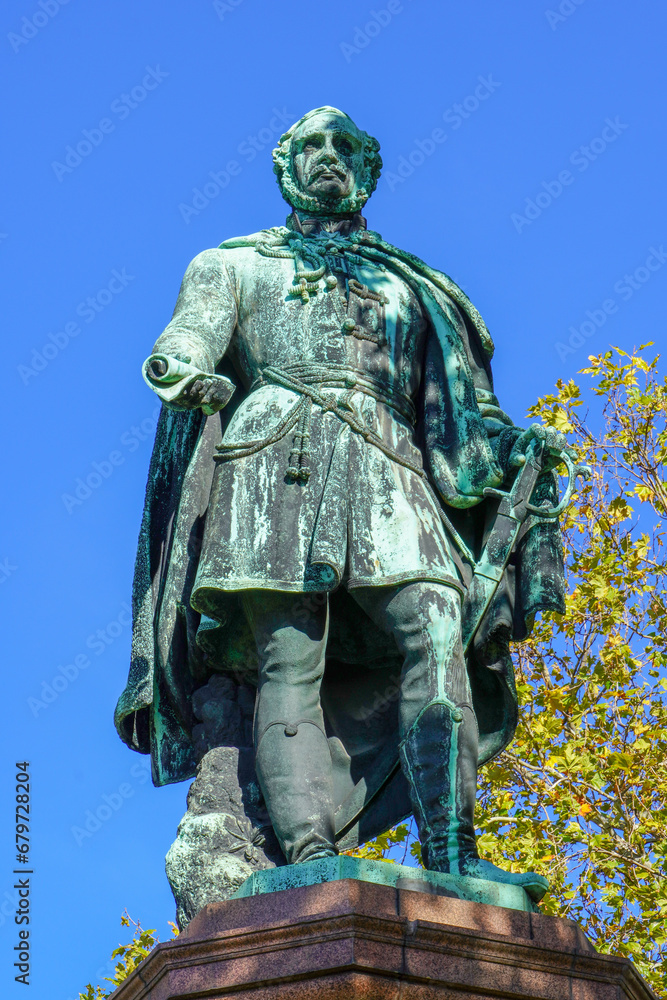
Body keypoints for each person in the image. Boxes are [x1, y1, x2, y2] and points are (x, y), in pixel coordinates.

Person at [115, 107, 568, 902]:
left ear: (370, 169)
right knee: (288, 658)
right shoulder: (233, 263)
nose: (329, 158)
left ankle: (453, 851)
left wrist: (509, 449)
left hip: (391, 466)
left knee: (435, 628)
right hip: (269, 463)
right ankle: (306, 856)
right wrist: (182, 371)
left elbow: (461, 417)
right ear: (284, 165)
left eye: (346, 147)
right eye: (312, 147)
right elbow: (187, 337)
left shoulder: (413, 286)